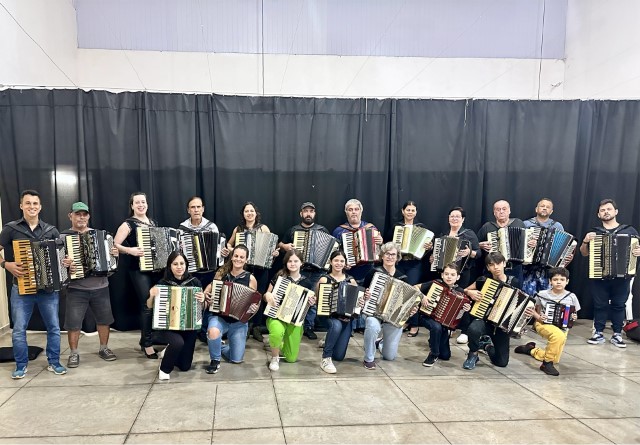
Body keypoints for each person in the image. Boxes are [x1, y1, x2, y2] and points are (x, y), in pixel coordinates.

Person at [0, 190, 70, 378]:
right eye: (28, 203)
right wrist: (6, 264)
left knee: (54, 327)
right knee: (19, 329)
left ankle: (54, 362)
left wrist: (66, 262)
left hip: (48, 290)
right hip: (22, 288)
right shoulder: (11, 229)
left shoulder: (51, 230)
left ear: (40, 206)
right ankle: (21, 365)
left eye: (35, 203)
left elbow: (61, 258)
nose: (32, 207)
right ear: (21, 206)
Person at [61, 202, 118, 368]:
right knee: (73, 322)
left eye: (84, 214)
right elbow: (57, 265)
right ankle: (73, 353)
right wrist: (65, 263)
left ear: (88, 216)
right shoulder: (63, 237)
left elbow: (111, 263)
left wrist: (114, 254)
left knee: (104, 320)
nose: (81, 217)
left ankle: (104, 348)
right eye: (77, 214)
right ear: (70, 216)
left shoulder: (101, 235)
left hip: (100, 286)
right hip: (76, 288)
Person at [410, 206, 480, 340]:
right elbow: (436, 254)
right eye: (452, 216)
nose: (454, 219)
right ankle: (447, 324)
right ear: (448, 219)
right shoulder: (443, 234)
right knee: (446, 299)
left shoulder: (469, 234)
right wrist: (433, 259)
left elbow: (479, 253)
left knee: (462, 300)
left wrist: (470, 253)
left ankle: (463, 330)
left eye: (457, 216)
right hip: (444, 273)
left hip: (462, 273)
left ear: (463, 219)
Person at [580, 199, 640, 348]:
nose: (606, 212)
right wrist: (585, 241)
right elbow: (584, 253)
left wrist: (638, 251)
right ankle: (598, 332)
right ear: (598, 214)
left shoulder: (630, 230)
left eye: (609, 209)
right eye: (603, 210)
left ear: (615, 212)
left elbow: (637, 249)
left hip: (623, 276)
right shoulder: (594, 232)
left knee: (619, 305)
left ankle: (617, 334)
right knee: (600, 305)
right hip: (599, 275)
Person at [113, 192, 160, 359]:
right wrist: (129, 250)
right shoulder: (128, 224)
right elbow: (115, 244)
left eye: (143, 202)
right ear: (132, 205)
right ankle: (147, 344)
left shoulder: (153, 222)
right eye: (137, 202)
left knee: (154, 305)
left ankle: (145, 340)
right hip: (138, 270)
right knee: (147, 305)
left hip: (156, 270)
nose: (141, 205)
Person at [146, 251, 205, 381]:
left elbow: (201, 310)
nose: (179, 267)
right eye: (175, 264)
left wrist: (203, 300)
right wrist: (151, 295)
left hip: (188, 328)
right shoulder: (163, 283)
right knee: (177, 342)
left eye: (182, 263)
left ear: (186, 265)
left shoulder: (194, 282)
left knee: (185, 366)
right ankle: (164, 369)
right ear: (170, 266)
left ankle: (169, 351)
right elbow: (149, 306)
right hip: (167, 327)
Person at [178, 196, 229, 343]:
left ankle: (206, 331)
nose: (196, 210)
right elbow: (179, 253)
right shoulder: (182, 228)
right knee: (193, 301)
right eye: (193, 207)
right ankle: (194, 330)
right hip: (191, 273)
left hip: (210, 271)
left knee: (209, 300)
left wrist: (223, 253)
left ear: (203, 209)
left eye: (198, 207)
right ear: (188, 210)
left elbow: (219, 251)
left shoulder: (212, 227)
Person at [514, 267, 580, 376]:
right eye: (555, 279)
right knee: (558, 337)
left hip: (563, 327)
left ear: (567, 281)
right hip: (543, 324)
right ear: (550, 281)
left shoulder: (571, 296)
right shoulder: (542, 294)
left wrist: (573, 317)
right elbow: (532, 309)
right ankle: (546, 364)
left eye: (562, 279)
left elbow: (574, 314)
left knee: (556, 359)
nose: (558, 282)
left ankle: (530, 350)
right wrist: (538, 317)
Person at [279, 201, 331, 340]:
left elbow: (330, 248)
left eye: (311, 211)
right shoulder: (293, 230)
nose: (308, 214)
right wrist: (285, 246)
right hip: (298, 270)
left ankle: (308, 327)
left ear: (314, 214)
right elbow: (280, 244)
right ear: (301, 213)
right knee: (294, 297)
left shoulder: (322, 230)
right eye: (306, 211)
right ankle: (292, 323)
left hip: (317, 270)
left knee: (311, 300)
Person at [204, 245, 258, 374]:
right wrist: (207, 295)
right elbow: (210, 288)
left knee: (236, 359)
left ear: (246, 260)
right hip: (219, 316)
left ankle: (219, 345)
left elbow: (254, 302)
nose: (238, 259)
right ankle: (215, 361)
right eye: (236, 256)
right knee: (213, 331)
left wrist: (253, 309)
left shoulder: (250, 279)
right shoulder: (222, 273)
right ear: (231, 257)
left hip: (238, 322)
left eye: (241, 257)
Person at [462, 252, 520, 370]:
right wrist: (470, 292)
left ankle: (486, 346)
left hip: (501, 325)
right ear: (488, 267)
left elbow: (519, 303)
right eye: (492, 265)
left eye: (498, 264)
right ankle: (473, 354)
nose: (496, 267)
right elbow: (464, 290)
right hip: (485, 320)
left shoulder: (514, 282)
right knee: (473, 329)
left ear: (504, 264)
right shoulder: (483, 280)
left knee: (501, 363)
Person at [362, 242, 415, 370]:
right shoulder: (373, 273)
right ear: (382, 256)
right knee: (372, 325)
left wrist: (410, 310)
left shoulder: (402, 278)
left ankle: (379, 342)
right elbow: (362, 291)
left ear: (397, 258)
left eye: (393, 255)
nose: (390, 257)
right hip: (373, 312)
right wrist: (366, 295)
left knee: (389, 357)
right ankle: (368, 358)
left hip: (392, 318)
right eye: (387, 254)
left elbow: (407, 302)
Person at [263, 250, 316, 371]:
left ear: (301, 263)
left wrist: (312, 302)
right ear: (286, 263)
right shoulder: (280, 276)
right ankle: (275, 356)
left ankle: (276, 342)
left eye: (296, 261)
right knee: (276, 332)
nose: (292, 264)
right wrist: (268, 296)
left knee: (291, 358)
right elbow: (266, 294)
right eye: (290, 261)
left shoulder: (306, 282)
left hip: (294, 320)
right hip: (276, 315)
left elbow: (309, 303)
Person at [415, 263, 470, 367]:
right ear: (442, 275)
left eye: (452, 275)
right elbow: (415, 287)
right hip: (427, 315)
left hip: (444, 324)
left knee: (445, 356)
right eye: (446, 274)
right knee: (436, 327)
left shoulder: (460, 291)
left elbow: (460, 312)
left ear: (458, 277)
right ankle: (433, 354)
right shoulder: (435, 283)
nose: (449, 277)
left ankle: (434, 340)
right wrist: (423, 296)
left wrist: (466, 308)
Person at [317, 250, 359, 374]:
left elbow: (357, 303)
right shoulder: (324, 279)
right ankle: (325, 358)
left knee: (339, 356)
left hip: (346, 318)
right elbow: (318, 302)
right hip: (328, 317)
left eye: (342, 261)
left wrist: (362, 301)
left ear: (345, 263)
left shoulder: (351, 280)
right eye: (336, 260)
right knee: (336, 325)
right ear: (331, 262)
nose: (339, 263)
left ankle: (329, 338)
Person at [522, 198, 573, 296]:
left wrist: (566, 257)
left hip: (549, 270)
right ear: (536, 209)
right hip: (528, 267)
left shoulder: (557, 226)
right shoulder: (526, 224)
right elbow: (518, 245)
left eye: (548, 207)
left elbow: (564, 246)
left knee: (547, 298)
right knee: (527, 298)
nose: (545, 208)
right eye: (542, 206)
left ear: (551, 211)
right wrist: (528, 243)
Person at [331, 199, 383, 284]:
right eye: (350, 210)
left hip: (368, 271)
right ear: (346, 212)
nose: (354, 212)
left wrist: (380, 243)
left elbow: (379, 253)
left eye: (356, 209)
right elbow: (334, 253)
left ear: (361, 211)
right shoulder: (339, 231)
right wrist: (343, 263)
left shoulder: (371, 228)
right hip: (348, 273)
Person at [477, 200, 525, 284]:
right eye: (498, 210)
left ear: (509, 211)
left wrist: (531, 243)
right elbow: (476, 245)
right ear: (494, 213)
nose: (501, 212)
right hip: (494, 269)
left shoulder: (519, 223)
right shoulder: (487, 226)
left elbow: (526, 240)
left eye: (504, 209)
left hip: (515, 267)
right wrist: (480, 245)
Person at [387, 201, 432, 286]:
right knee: (396, 287)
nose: (410, 212)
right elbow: (387, 243)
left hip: (414, 264)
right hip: (398, 262)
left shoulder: (421, 227)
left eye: (413, 210)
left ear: (416, 212)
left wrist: (429, 247)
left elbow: (426, 249)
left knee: (410, 288)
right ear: (403, 211)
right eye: (408, 210)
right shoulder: (396, 226)